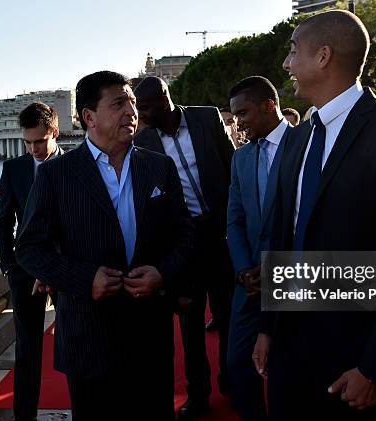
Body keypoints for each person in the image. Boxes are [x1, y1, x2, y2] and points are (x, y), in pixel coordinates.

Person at [252, 10, 376, 420]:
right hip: (289, 352)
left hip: (357, 362)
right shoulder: (298, 136)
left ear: (323, 56)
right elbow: (282, 237)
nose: (286, 63)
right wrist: (268, 325)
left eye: (292, 51)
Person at [15, 71, 195, 420]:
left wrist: (162, 273)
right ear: (89, 117)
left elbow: (185, 235)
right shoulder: (57, 175)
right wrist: (86, 280)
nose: (131, 110)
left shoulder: (160, 167)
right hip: (89, 339)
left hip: (150, 337)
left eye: (131, 102)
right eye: (118, 103)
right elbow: (30, 248)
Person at [134, 76, 235, 421]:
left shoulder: (207, 118)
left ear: (164, 98)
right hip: (183, 243)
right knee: (190, 328)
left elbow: (232, 169)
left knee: (228, 318)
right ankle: (199, 395)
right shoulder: (143, 139)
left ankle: (232, 384)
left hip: (221, 235)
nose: (140, 114)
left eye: (145, 107)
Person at [226, 76, 292, 421]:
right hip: (250, 284)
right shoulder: (240, 158)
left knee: (289, 371)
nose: (238, 123)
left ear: (269, 106)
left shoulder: (305, 145)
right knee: (238, 365)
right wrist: (242, 271)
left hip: (297, 282)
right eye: (235, 116)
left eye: (243, 114)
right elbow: (234, 221)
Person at [0, 101, 62, 421]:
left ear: (55, 133)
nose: (34, 148)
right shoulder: (14, 169)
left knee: (77, 345)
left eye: (40, 141)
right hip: (24, 271)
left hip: (67, 270)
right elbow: (3, 222)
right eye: (28, 142)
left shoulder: (77, 165)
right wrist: (9, 266)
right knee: (27, 350)